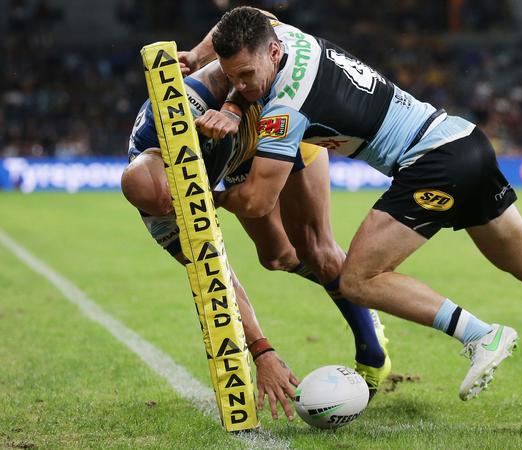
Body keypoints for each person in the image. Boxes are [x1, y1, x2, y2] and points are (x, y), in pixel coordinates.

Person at [206, 7, 522, 407]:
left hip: (432, 161)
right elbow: (257, 13)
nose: (243, 86)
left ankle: (480, 334)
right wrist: (203, 63)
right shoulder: (288, 36)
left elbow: (260, 202)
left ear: (273, 52)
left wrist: (205, 192)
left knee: (357, 279)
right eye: (232, 77)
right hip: (464, 140)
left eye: (247, 74)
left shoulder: (285, 107)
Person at [120, 57, 390, 420]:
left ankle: (372, 351)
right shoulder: (163, 219)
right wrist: (262, 351)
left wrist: (231, 106)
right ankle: (347, 286)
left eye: (178, 195)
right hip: (238, 157)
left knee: (317, 251)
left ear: (171, 162)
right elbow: (217, 279)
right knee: (276, 256)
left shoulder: (184, 104)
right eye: (171, 206)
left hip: (275, 126)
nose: (179, 205)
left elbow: (239, 52)